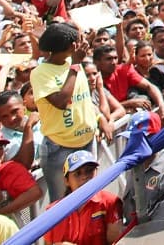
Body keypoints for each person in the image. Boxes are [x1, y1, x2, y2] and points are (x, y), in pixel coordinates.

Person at [31, 22, 110, 201]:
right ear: (70, 47)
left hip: (88, 142)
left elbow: (83, 99)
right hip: (60, 148)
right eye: (78, 40)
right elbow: (63, 101)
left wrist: (98, 118)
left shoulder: (74, 62)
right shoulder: (41, 73)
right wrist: (74, 65)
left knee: (91, 197)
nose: (81, 43)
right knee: (62, 203)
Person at [44, 151, 125, 245]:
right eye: (77, 173)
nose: (84, 177)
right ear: (66, 181)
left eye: (89, 171)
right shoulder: (52, 212)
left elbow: (116, 242)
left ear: (96, 172)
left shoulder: (110, 202)